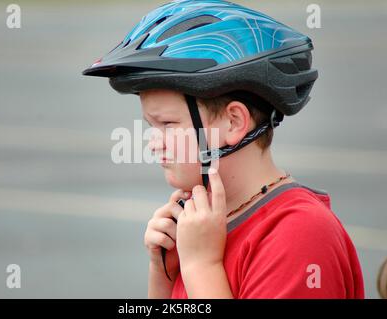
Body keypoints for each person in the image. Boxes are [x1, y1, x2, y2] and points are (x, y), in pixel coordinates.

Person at [82, 0, 364, 299]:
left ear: (233, 122)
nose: (153, 142)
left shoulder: (299, 235)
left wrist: (202, 266)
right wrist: (163, 276)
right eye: (152, 126)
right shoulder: (201, 228)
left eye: (167, 123)